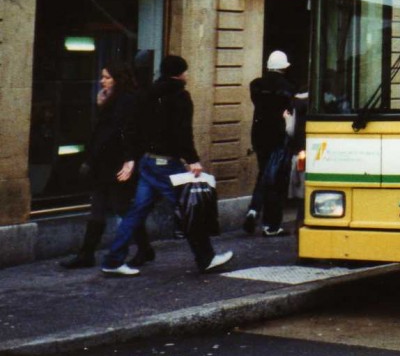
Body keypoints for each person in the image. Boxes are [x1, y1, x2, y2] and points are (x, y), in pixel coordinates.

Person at [100, 55, 232, 276]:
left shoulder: (146, 94)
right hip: (167, 165)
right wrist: (192, 159)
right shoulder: (180, 96)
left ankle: (113, 260)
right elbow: (183, 133)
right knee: (188, 207)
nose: (187, 75)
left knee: (136, 211)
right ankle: (206, 257)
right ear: (180, 73)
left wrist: (132, 157)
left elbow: (132, 128)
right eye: (186, 71)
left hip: (148, 162)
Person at [60, 62, 154, 269]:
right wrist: (101, 106)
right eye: (102, 77)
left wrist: (129, 161)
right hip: (103, 164)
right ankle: (86, 254)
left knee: (121, 207)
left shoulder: (127, 100)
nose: (102, 81)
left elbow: (127, 132)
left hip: (116, 164)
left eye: (107, 77)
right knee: (98, 208)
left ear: (118, 79)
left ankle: (145, 248)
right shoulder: (112, 99)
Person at [244, 50, 296, 237]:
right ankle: (271, 224)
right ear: (284, 67)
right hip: (279, 137)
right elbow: (290, 110)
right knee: (276, 181)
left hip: (259, 136)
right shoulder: (288, 87)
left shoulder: (256, 85)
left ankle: (254, 211)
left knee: (264, 173)